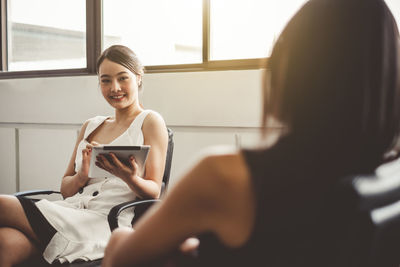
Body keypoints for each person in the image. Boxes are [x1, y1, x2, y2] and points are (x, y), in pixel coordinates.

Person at [101, 0, 400, 266]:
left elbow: (121, 258)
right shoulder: (388, 176)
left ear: (291, 72)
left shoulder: (225, 176)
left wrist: (120, 239)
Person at [0, 45, 168, 266]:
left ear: (138, 77)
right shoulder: (91, 126)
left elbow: (154, 193)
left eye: (122, 78)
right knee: (6, 242)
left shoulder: (150, 121)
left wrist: (128, 177)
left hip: (103, 223)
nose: (114, 88)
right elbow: (65, 189)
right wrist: (82, 175)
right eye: (105, 80)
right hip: (69, 212)